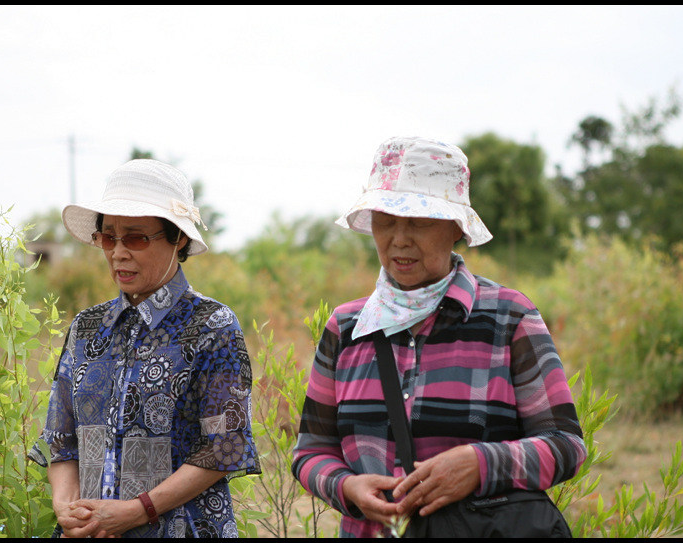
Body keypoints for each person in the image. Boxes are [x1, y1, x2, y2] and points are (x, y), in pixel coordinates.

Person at [291, 136, 587, 538]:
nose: (399, 238)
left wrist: (480, 465)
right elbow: (311, 450)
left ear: (456, 228)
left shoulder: (509, 318)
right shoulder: (345, 329)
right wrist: (346, 486)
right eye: (387, 219)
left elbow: (566, 446)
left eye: (419, 221)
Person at [29, 159, 260, 538]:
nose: (118, 252)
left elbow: (224, 447)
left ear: (178, 239)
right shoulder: (87, 329)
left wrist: (138, 511)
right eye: (108, 237)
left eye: (135, 238)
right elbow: (61, 440)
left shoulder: (211, 326)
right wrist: (67, 508)